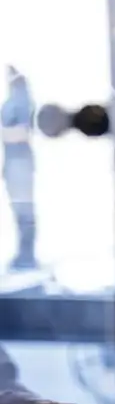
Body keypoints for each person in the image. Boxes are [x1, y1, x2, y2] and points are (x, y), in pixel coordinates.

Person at [1, 67, 36, 271]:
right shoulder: (13, 100)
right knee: (18, 211)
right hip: (13, 162)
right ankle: (23, 254)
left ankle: (27, 256)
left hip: (21, 163)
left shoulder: (22, 101)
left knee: (24, 211)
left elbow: (23, 132)